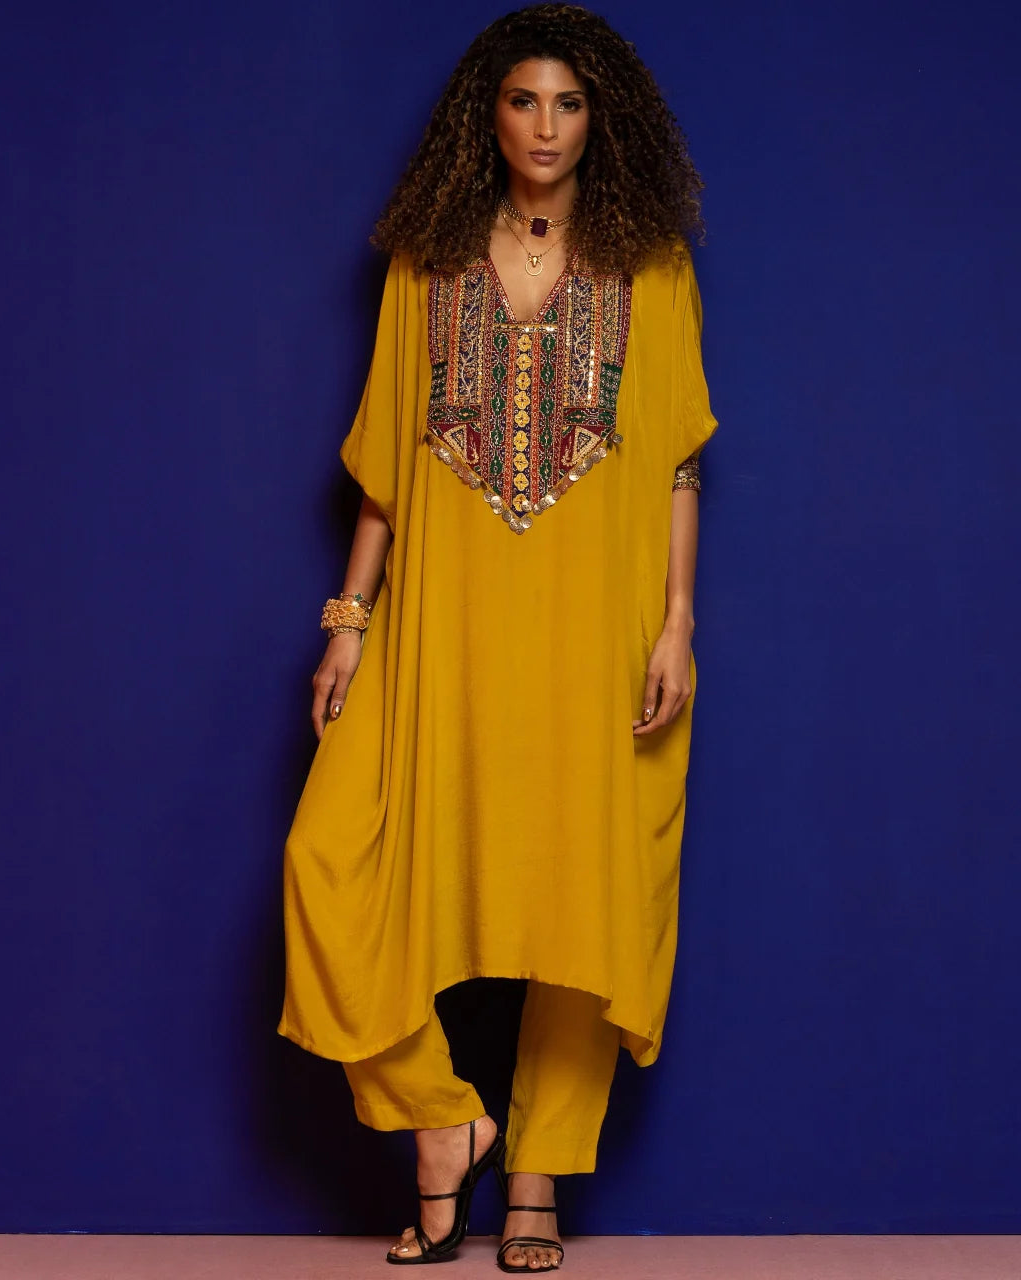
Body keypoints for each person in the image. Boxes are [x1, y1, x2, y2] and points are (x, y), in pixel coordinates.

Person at [277, 3, 717, 1270]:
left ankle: (535, 1182)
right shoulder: (424, 264)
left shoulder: (651, 268)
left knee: (581, 901)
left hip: (598, 624)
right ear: (489, 115)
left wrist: (676, 622)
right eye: (524, 101)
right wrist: (349, 621)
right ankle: (443, 1123)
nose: (545, 127)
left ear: (601, 121)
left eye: (568, 104)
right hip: (443, 628)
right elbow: (385, 468)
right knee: (324, 859)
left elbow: (675, 462)